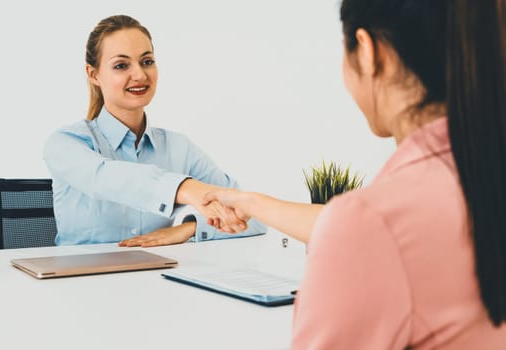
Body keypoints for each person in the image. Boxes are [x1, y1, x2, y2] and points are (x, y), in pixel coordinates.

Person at [204, 0, 506, 348]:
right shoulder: (468, 180)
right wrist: (249, 202)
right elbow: (368, 231)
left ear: (368, 52)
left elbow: (370, 231)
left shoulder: (376, 223)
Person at [43, 15, 265, 247]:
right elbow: (106, 177)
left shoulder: (179, 148)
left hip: (156, 278)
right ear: (93, 74)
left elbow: (253, 215)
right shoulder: (65, 144)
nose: (139, 75)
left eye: (147, 61)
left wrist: (189, 228)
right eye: (121, 65)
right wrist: (186, 189)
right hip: (79, 279)